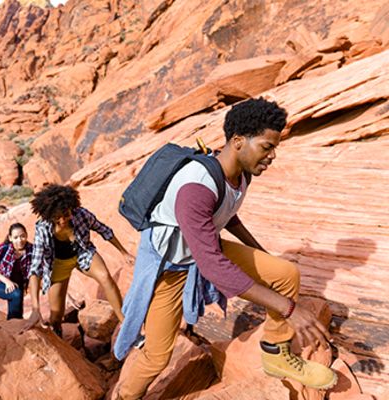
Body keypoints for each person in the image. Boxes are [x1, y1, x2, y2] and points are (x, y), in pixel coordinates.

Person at [114, 97, 337, 399]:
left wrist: (261, 255)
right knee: (157, 355)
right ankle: (126, 396)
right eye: (267, 147)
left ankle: (275, 353)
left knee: (284, 273)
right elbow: (213, 266)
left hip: (200, 251)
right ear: (238, 141)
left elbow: (228, 214)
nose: (272, 156)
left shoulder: (242, 171)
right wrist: (289, 309)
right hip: (169, 268)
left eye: (274, 148)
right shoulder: (195, 188)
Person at [23, 184, 134, 337]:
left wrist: (124, 253)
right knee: (56, 316)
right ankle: (58, 333)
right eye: (58, 217)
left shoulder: (81, 214)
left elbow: (104, 230)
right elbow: (35, 268)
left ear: (71, 208)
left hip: (83, 254)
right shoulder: (43, 228)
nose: (63, 220)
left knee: (106, 278)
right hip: (58, 265)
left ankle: (124, 323)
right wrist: (35, 310)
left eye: (66, 214)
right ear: (50, 215)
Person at [0, 223, 33, 320]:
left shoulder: (32, 250)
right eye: (15, 237)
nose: (19, 240)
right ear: (10, 238)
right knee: (16, 294)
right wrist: (7, 282)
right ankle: (14, 325)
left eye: (22, 236)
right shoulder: (3, 249)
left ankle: (13, 324)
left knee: (17, 305)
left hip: (19, 283)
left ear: (26, 235)